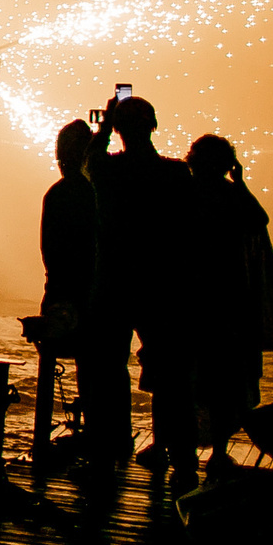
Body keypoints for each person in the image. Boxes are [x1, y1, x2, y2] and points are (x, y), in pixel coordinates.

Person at [84, 94, 199, 482]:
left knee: (108, 369)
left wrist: (103, 125)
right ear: (153, 126)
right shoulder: (176, 174)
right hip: (162, 283)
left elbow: (90, 158)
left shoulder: (106, 169)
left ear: (117, 129)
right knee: (171, 373)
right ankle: (182, 458)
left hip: (114, 280)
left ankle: (109, 450)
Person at [184, 135, 273, 476]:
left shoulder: (184, 194)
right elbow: (260, 220)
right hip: (229, 303)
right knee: (225, 384)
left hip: (192, 300)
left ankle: (175, 448)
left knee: (187, 379)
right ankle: (218, 453)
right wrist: (239, 182)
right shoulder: (231, 197)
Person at [38, 120, 96, 448]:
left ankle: (46, 440)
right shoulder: (99, 192)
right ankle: (104, 434)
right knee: (99, 368)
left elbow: (50, 250)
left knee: (56, 363)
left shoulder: (58, 194)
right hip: (96, 292)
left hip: (63, 290)